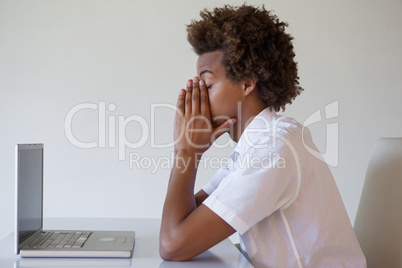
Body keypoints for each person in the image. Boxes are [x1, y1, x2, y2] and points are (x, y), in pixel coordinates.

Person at [159, 4, 366, 268]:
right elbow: (185, 220)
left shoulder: (274, 146)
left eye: (207, 84)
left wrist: (186, 152)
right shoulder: (255, 144)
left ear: (247, 83)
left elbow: (173, 245)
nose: (197, 95)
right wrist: (188, 151)